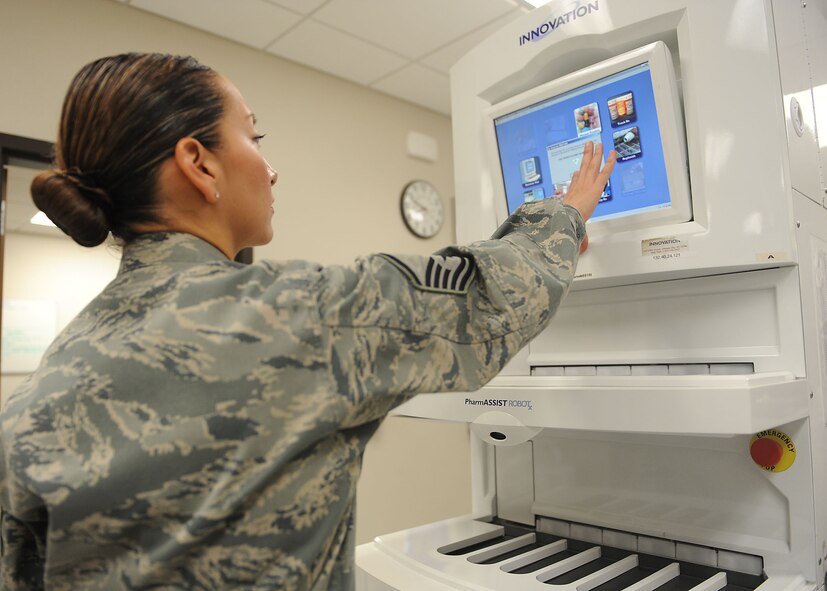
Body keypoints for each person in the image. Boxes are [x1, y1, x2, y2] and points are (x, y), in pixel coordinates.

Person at [0, 52, 616, 590]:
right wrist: (563, 215)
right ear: (199, 163)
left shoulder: (46, 382)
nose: (270, 169)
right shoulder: (301, 316)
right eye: (254, 138)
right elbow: (492, 300)